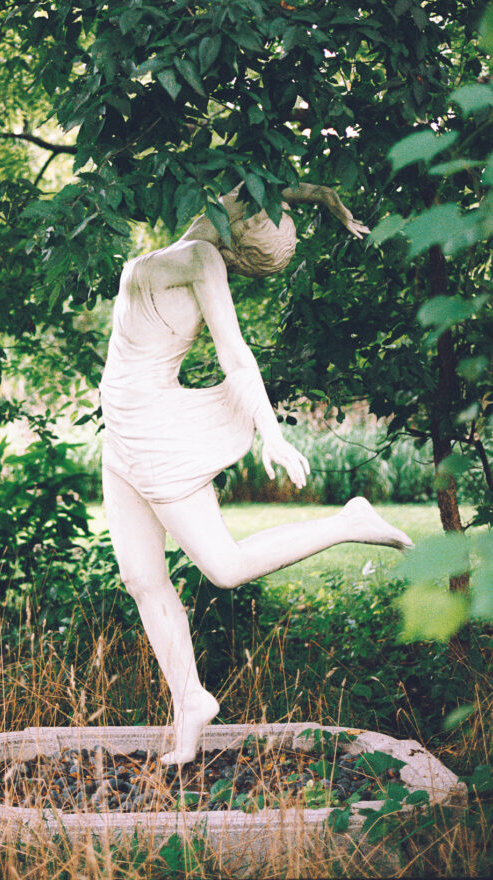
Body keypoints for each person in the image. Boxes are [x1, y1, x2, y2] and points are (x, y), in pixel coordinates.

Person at [99, 182, 413, 765]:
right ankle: (189, 704)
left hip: (154, 437)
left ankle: (348, 521)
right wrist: (329, 200)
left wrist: (271, 433)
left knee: (224, 567)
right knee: (142, 579)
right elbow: (263, 183)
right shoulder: (194, 240)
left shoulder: (201, 258)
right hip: (120, 437)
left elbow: (236, 353)